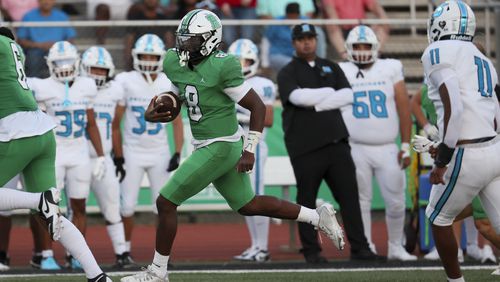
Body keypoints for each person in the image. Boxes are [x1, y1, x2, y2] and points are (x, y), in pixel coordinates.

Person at [120, 9, 345, 282]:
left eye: (192, 40)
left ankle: (157, 272)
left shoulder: (222, 66)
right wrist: (164, 102)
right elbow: (181, 90)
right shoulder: (174, 61)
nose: (184, 45)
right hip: (208, 143)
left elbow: (257, 107)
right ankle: (316, 216)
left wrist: (250, 148)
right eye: (183, 39)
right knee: (248, 204)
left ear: (210, 40)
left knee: (165, 201)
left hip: (222, 145)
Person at [0, 26, 111, 282]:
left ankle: (37, 200)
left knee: (42, 205)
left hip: (16, 130)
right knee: (52, 215)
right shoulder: (14, 49)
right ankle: (97, 275)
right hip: (42, 131)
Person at [277, 23, 382, 263]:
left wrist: (316, 101)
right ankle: (312, 252)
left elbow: (348, 96)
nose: (307, 42)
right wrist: (328, 96)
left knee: (350, 198)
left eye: (310, 38)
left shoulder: (330, 66)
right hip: (305, 148)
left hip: (337, 143)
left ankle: (360, 248)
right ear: (294, 42)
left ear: (316, 40)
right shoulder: (287, 72)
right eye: (301, 38)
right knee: (306, 202)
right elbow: (296, 97)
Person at [422, 1, 500, 280]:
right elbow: (495, 112)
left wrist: (442, 159)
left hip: (468, 151)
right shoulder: (483, 58)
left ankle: (455, 280)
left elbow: (454, 105)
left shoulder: (437, 51)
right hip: (494, 148)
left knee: (437, 217)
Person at [338, 25, 415, 261]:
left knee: (396, 201)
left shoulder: (390, 68)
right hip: (355, 146)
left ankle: (395, 247)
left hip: (387, 147)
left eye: (366, 46)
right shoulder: (341, 70)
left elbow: (404, 108)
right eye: (357, 46)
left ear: (375, 47)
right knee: (361, 201)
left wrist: (405, 145)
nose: (361, 50)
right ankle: (366, 245)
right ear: (348, 49)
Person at [29, 41, 107, 269]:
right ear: (50, 65)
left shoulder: (86, 86)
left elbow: (91, 124)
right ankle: (45, 254)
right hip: (53, 155)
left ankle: (75, 256)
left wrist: (101, 155)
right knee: (49, 207)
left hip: (80, 153)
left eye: (67, 62)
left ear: (77, 63)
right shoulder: (43, 87)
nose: (63, 67)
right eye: (59, 63)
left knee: (79, 206)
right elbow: (38, 125)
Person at [114, 33, 184, 262]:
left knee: (163, 207)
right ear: (135, 55)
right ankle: (123, 251)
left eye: (152, 55)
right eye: (144, 55)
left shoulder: (167, 81)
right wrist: (119, 155)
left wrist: (177, 151)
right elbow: (116, 123)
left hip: (160, 152)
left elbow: (177, 121)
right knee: (127, 206)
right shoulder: (126, 80)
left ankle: (162, 256)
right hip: (132, 151)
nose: (148, 59)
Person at [80, 46, 135, 268]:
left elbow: (115, 127)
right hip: (79, 157)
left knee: (112, 206)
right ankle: (73, 255)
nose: (97, 74)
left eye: (101, 70)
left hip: (104, 159)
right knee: (75, 209)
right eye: (93, 69)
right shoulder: (74, 88)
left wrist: (119, 157)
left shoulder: (116, 90)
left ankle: (121, 253)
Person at [228, 38, 276, 262]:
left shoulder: (263, 84)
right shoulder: (226, 82)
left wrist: (238, 116)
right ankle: (255, 245)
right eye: (237, 61)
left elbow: (268, 119)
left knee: (255, 196)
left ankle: (263, 247)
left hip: (254, 145)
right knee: (244, 198)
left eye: (245, 60)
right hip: (235, 145)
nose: (241, 65)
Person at [17, 0, 76, 78]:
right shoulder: (28, 16)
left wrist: (58, 46)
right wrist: (39, 45)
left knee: (67, 57)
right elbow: (21, 40)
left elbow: (71, 38)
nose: (46, 2)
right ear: (38, 1)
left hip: (59, 51)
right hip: (36, 50)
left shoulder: (62, 16)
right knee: (33, 57)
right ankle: (32, 85)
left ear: (54, 1)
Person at [322, 0, 389, 59]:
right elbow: (330, 10)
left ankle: (376, 54)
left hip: (362, 28)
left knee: (383, 24)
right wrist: (334, 18)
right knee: (332, 24)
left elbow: (374, 5)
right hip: (343, 28)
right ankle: (345, 56)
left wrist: (382, 15)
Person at [124, 0, 170, 70]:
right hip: (138, 62)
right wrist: (128, 64)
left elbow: (169, 41)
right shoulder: (136, 19)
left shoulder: (164, 19)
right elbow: (129, 42)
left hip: (159, 61)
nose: (151, 1)